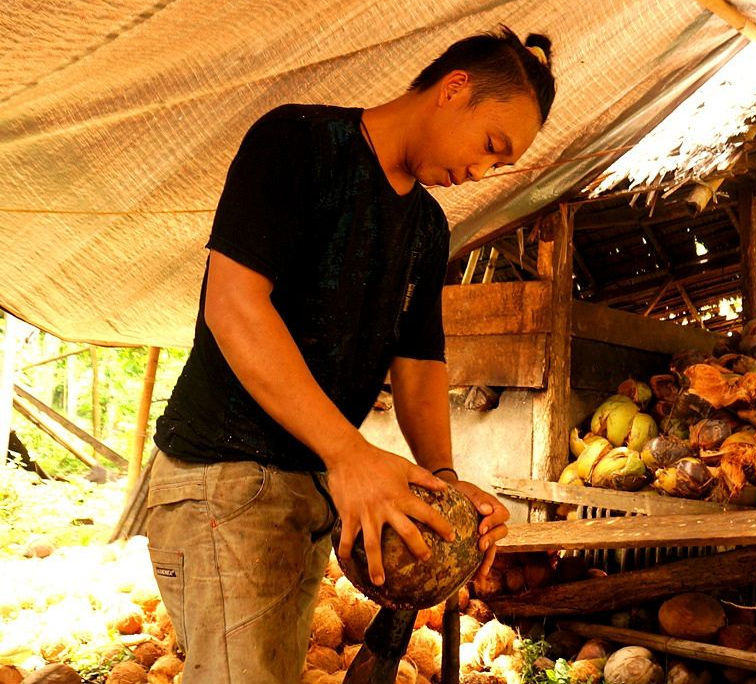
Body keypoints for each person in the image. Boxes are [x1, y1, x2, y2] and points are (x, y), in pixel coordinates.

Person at [144, 26, 556, 683]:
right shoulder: (299, 143)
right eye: (489, 147)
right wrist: (349, 453)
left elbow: (420, 365)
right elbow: (233, 306)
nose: (480, 173)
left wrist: (444, 485)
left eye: (498, 168)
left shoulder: (426, 228)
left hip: (308, 493)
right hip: (221, 476)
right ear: (455, 90)